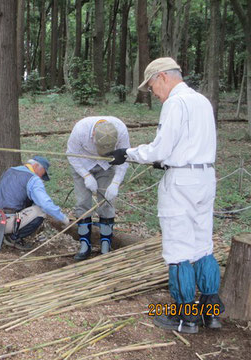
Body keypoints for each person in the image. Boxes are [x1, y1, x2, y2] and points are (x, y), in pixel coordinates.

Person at [107, 57, 224, 334]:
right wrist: (166, 159)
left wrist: (128, 154)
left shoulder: (175, 103)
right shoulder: (202, 101)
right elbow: (187, 143)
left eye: (151, 87)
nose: (154, 94)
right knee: (202, 244)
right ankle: (211, 311)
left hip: (182, 182)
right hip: (205, 177)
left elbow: (160, 149)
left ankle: (186, 318)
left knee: (178, 249)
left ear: (162, 77)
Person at [67, 117, 130, 259]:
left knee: (106, 203)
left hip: (107, 166)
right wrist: (86, 175)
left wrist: (115, 183)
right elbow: (71, 155)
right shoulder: (80, 130)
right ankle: (85, 245)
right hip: (82, 163)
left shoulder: (121, 130)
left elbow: (125, 159)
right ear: (93, 135)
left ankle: (105, 245)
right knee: (83, 203)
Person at [0, 156, 70, 250]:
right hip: (5, 221)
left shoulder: (10, 170)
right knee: (41, 210)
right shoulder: (33, 179)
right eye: (42, 173)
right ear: (35, 166)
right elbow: (45, 204)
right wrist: (63, 218)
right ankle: (13, 238)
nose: (41, 178)